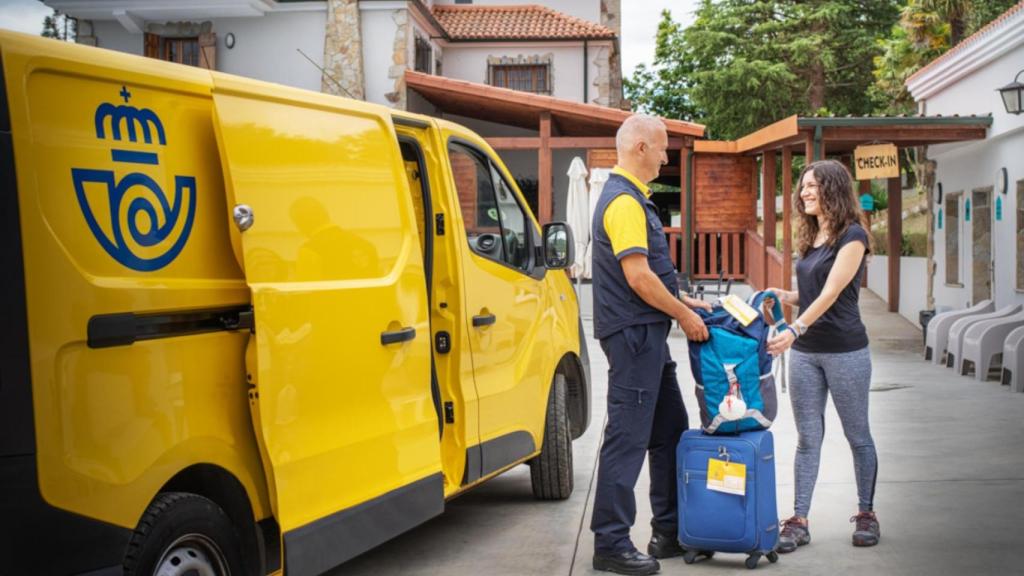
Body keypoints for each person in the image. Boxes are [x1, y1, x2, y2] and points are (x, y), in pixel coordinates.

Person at [590, 114, 711, 576]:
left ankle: (669, 530)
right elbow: (636, 276)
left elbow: (649, 276)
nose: (666, 157)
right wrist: (683, 316)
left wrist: (684, 299)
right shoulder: (623, 203)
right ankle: (611, 542)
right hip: (634, 338)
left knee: (670, 432)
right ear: (640, 148)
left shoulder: (635, 201)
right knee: (627, 438)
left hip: (648, 338)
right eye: (662, 149)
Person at [765, 159, 880, 554]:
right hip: (807, 355)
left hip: (846, 351)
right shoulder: (813, 236)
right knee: (807, 439)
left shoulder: (854, 236)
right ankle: (799, 520)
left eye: (812, 185)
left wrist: (795, 328)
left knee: (857, 435)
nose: (804, 192)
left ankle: (866, 513)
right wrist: (787, 298)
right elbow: (814, 292)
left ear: (832, 188)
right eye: (802, 186)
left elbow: (833, 292)